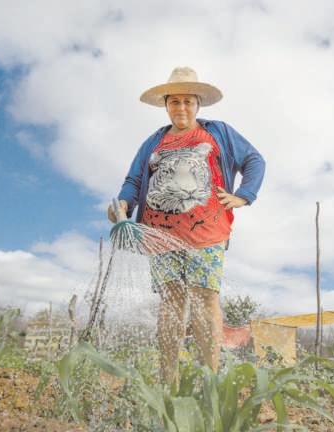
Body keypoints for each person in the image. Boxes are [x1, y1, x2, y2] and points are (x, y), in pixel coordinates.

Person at [108, 66, 265, 385]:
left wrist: (244, 195)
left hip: (207, 234)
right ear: (166, 104)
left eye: (188, 101)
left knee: (206, 299)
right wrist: (124, 204)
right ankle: (169, 384)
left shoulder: (219, 132)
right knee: (171, 303)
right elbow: (135, 178)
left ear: (198, 104)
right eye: (175, 101)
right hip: (159, 235)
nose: (181, 108)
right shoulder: (153, 141)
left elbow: (254, 160)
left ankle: (210, 382)